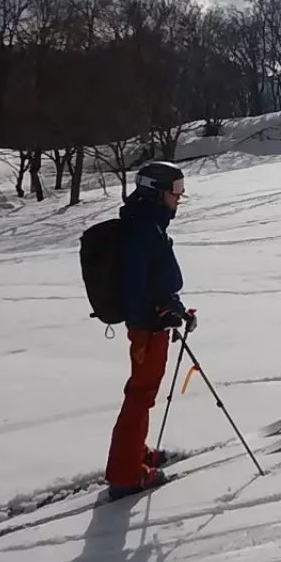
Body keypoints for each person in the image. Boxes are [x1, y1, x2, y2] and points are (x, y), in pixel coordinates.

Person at [103, 160, 198, 500]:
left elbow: (154, 280)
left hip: (153, 323)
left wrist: (173, 309)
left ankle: (135, 451)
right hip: (147, 329)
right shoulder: (143, 228)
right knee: (140, 396)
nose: (179, 200)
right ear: (157, 192)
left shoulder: (147, 223)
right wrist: (157, 316)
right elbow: (136, 285)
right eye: (176, 193)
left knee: (143, 394)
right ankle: (126, 474)